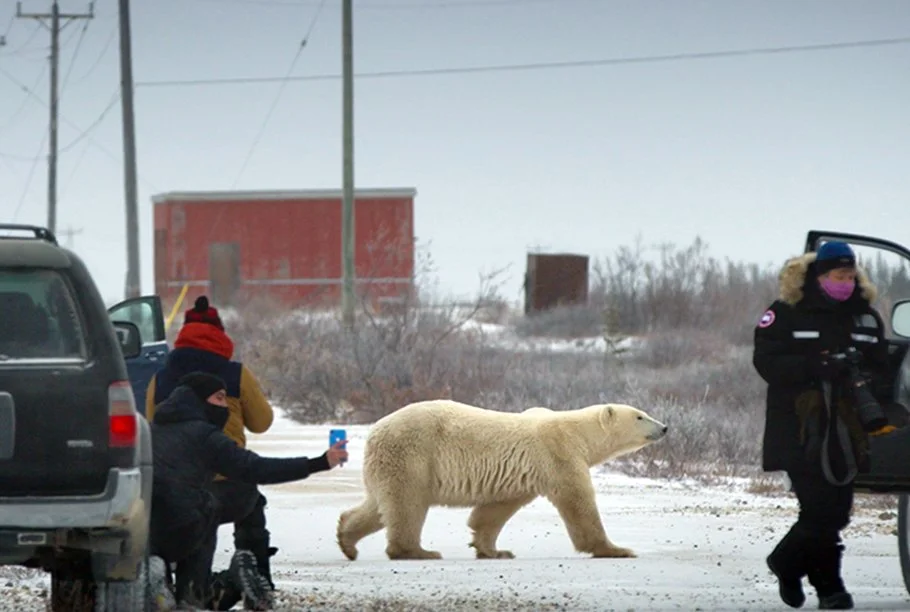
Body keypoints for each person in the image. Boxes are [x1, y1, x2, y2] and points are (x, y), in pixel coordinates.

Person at [752, 240, 893, 610]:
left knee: (837, 511)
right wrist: (817, 367)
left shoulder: (864, 316)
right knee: (819, 509)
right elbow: (766, 362)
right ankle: (830, 588)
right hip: (799, 428)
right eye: (838, 275)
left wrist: (862, 379)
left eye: (850, 275)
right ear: (819, 276)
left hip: (846, 431)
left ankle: (787, 562)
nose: (845, 282)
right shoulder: (786, 312)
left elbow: (882, 366)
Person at [148, 371, 348, 609]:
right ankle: (205, 590)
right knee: (204, 507)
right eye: (220, 398)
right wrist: (320, 462)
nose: (225, 406)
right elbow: (256, 468)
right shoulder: (205, 436)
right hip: (186, 525)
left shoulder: (149, 430)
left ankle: (161, 587)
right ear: (199, 399)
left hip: (145, 528)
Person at [146, 295, 279, 605]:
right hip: (228, 489)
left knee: (175, 520)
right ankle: (257, 576)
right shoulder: (235, 374)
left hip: (175, 492)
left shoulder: (161, 378)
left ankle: (165, 583)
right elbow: (262, 422)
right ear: (221, 334)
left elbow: (154, 425)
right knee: (251, 500)